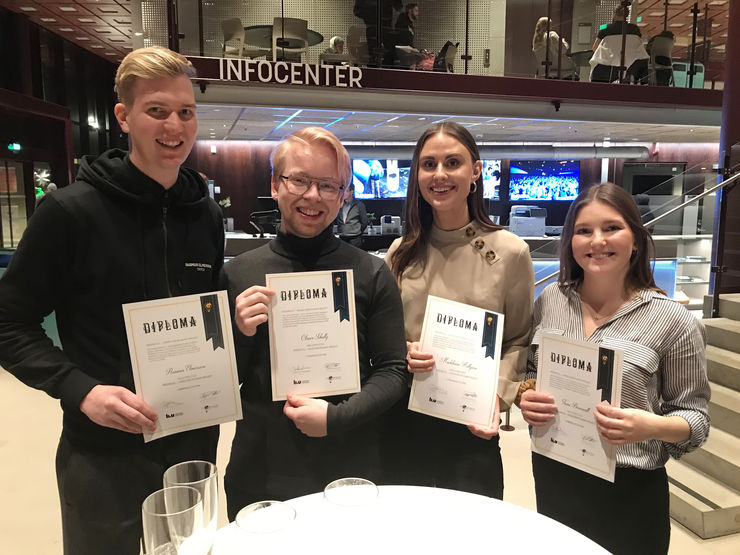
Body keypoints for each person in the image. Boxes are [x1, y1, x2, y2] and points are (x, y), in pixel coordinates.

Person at [0, 46, 224, 555]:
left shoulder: (204, 214)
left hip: (191, 439)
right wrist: (80, 390)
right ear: (124, 116)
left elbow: (208, 313)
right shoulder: (69, 212)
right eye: (157, 111)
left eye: (186, 112)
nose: (175, 126)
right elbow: (8, 322)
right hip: (103, 449)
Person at [221, 127, 407, 519]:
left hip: (349, 460)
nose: (312, 196)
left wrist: (336, 418)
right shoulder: (239, 273)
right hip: (262, 464)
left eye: (328, 185)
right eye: (300, 180)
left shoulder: (372, 273)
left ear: (343, 195)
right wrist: (239, 333)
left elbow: (393, 371)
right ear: (275, 185)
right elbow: (220, 383)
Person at [519, 183, 710, 554]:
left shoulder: (674, 321)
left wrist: (648, 425)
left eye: (611, 228)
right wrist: (527, 397)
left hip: (630, 490)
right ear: (570, 241)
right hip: (555, 474)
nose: (597, 241)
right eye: (583, 231)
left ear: (636, 240)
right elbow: (530, 371)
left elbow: (697, 421)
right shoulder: (551, 300)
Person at [381, 122, 534, 498]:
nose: (440, 174)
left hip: (470, 422)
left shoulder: (510, 252)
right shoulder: (399, 254)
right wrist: (402, 352)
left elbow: (517, 340)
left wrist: (495, 399)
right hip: (403, 418)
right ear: (417, 174)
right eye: (428, 164)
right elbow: (382, 340)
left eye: (453, 162)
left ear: (476, 171)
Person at [590, 4, 648, 84]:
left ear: (614, 13)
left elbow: (594, 48)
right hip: (631, 67)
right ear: (627, 15)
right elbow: (639, 46)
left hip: (607, 69)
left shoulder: (605, 29)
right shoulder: (635, 29)